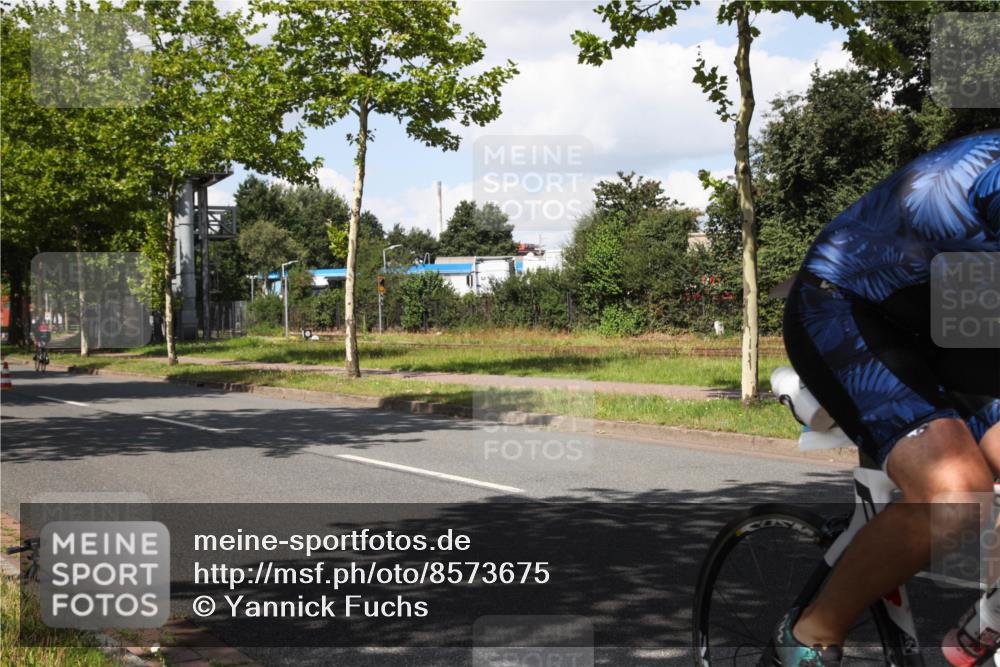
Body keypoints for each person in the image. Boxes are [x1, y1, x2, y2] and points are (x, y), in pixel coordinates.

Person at [777, 130, 1000, 666]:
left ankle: (988, 620)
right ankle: (809, 636)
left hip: (953, 313)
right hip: (846, 309)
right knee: (956, 497)